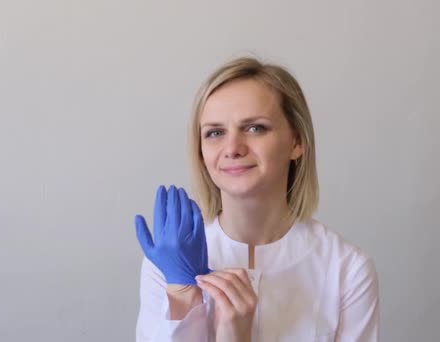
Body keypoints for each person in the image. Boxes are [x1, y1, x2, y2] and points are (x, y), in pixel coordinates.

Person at [134, 57, 379, 342]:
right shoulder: (167, 263)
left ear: (296, 142)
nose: (232, 148)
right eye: (214, 133)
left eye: (255, 128)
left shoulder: (347, 270)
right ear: (201, 152)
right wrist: (182, 295)